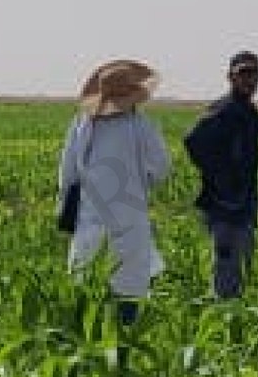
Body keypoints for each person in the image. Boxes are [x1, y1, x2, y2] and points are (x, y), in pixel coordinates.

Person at [61, 59, 175, 324]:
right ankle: (121, 359)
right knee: (127, 302)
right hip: (129, 227)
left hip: (89, 227)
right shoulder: (141, 126)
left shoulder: (81, 125)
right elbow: (161, 169)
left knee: (89, 303)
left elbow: (67, 177)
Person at [182, 51, 258, 301]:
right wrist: (220, 177)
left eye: (253, 74)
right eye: (243, 74)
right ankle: (224, 319)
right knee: (227, 268)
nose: (249, 80)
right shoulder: (223, 110)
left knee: (242, 264)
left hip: (244, 202)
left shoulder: (250, 114)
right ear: (230, 77)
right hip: (224, 204)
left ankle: (234, 317)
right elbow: (193, 141)